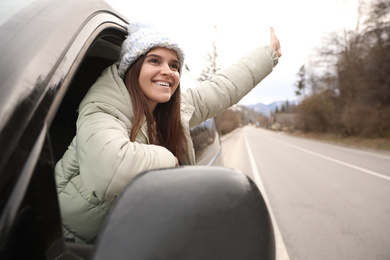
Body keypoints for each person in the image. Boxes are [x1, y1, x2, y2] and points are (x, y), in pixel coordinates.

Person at [55, 22, 282, 244]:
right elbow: (110, 169)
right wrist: (171, 162)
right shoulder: (102, 107)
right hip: (64, 238)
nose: (168, 71)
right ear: (132, 67)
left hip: (120, 238)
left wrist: (267, 55)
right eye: (154, 61)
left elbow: (221, 88)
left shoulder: (173, 108)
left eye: (174, 65)